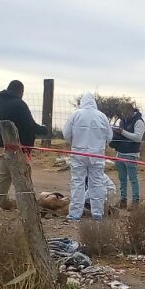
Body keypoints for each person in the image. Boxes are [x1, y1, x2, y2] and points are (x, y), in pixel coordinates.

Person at [0, 80, 46, 209]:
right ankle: (27, 208)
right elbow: (29, 125)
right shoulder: (19, 105)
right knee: (23, 178)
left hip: (3, 147)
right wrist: (44, 130)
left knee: (2, 178)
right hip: (18, 148)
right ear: (21, 91)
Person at [62, 92, 114, 221]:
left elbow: (66, 134)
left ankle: (75, 214)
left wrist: (74, 142)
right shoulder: (102, 116)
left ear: (82, 102)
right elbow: (110, 137)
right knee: (97, 183)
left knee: (77, 183)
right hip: (97, 154)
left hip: (78, 153)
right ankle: (97, 213)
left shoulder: (75, 115)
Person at [110, 105, 145, 208]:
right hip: (120, 153)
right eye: (123, 114)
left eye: (126, 113)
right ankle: (123, 200)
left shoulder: (139, 122)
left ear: (131, 111)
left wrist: (122, 132)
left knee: (133, 179)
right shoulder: (122, 121)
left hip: (131, 154)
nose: (125, 116)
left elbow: (138, 138)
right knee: (122, 179)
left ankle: (135, 201)